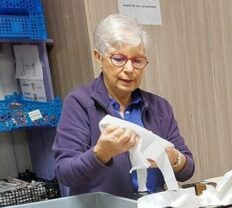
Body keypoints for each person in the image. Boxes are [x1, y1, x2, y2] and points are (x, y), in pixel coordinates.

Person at [53, 14, 194, 198]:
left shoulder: (159, 107)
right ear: (98, 57)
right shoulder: (80, 103)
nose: (129, 69)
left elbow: (187, 169)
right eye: (118, 59)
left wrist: (173, 158)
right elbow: (65, 173)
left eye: (137, 61)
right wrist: (100, 154)